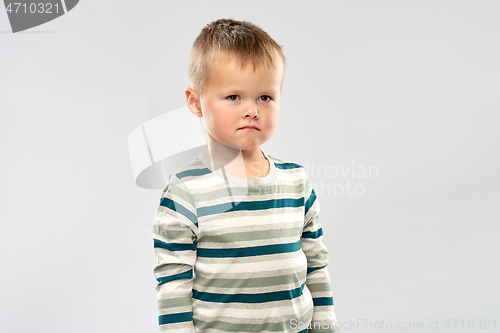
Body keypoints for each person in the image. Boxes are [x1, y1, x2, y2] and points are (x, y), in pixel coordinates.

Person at [152, 18, 340, 333]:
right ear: (195, 102)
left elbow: (317, 267)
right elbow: (173, 284)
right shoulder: (186, 191)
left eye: (264, 97)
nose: (251, 110)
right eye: (234, 97)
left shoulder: (296, 181)